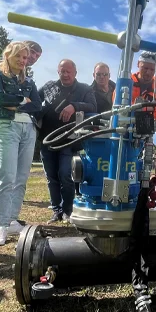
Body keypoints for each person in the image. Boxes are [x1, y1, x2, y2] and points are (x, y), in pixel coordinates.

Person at [0, 40, 43, 229]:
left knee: (21, 178)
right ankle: (1, 223)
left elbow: (37, 105)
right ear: (8, 54)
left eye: (25, 57)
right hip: (6, 126)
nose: (23, 60)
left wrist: (15, 103)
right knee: (6, 176)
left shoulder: (29, 81)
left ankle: (13, 219)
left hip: (28, 129)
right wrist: (23, 100)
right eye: (18, 56)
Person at [37, 59, 97, 222]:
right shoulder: (49, 86)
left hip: (69, 140)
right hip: (47, 139)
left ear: (75, 73)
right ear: (58, 72)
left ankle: (67, 210)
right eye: (62, 71)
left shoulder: (84, 89)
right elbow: (35, 99)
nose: (65, 74)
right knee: (51, 177)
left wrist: (74, 106)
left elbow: (93, 106)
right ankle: (56, 210)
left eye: (68, 71)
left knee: (65, 175)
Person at [132, 51, 156, 120]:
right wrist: (149, 109)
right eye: (145, 68)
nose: (148, 73)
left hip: (146, 127)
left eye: (152, 69)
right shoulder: (126, 81)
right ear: (138, 64)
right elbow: (119, 105)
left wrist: (137, 109)